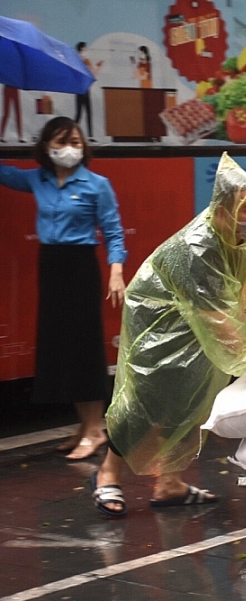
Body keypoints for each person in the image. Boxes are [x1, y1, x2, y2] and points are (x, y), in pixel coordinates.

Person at [90, 152, 246, 517]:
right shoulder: (197, 247)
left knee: (195, 392)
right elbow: (215, 318)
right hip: (160, 313)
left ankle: (169, 483)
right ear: (224, 211)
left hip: (204, 312)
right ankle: (107, 473)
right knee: (151, 394)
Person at [0, 116, 127, 460]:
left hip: (80, 267)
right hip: (51, 266)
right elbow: (5, 173)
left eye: (75, 142)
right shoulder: (37, 180)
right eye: (60, 142)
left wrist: (116, 272)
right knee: (61, 347)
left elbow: (114, 232)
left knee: (84, 347)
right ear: (46, 147)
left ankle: (97, 428)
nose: (69, 149)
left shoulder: (96, 184)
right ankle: (83, 425)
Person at [74, 42, 103, 142]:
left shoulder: (87, 61)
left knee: (88, 112)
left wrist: (99, 67)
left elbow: (93, 74)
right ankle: (72, 133)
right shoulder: (76, 61)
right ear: (79, 51)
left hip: (86, 89)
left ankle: (90, 136)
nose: (84, 51)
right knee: (79, 113)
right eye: (83, 50)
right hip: (79, 89)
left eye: (85, 50)